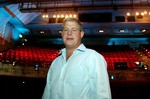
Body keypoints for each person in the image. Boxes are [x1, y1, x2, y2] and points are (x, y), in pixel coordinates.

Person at [42, 18, 111, 99]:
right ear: (62, 34)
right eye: (66, 29)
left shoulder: (93, 57)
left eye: (74, 30)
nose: (69, 33)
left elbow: (102, 96)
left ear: (81, 34)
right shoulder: (55, 62)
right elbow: (47, 93)